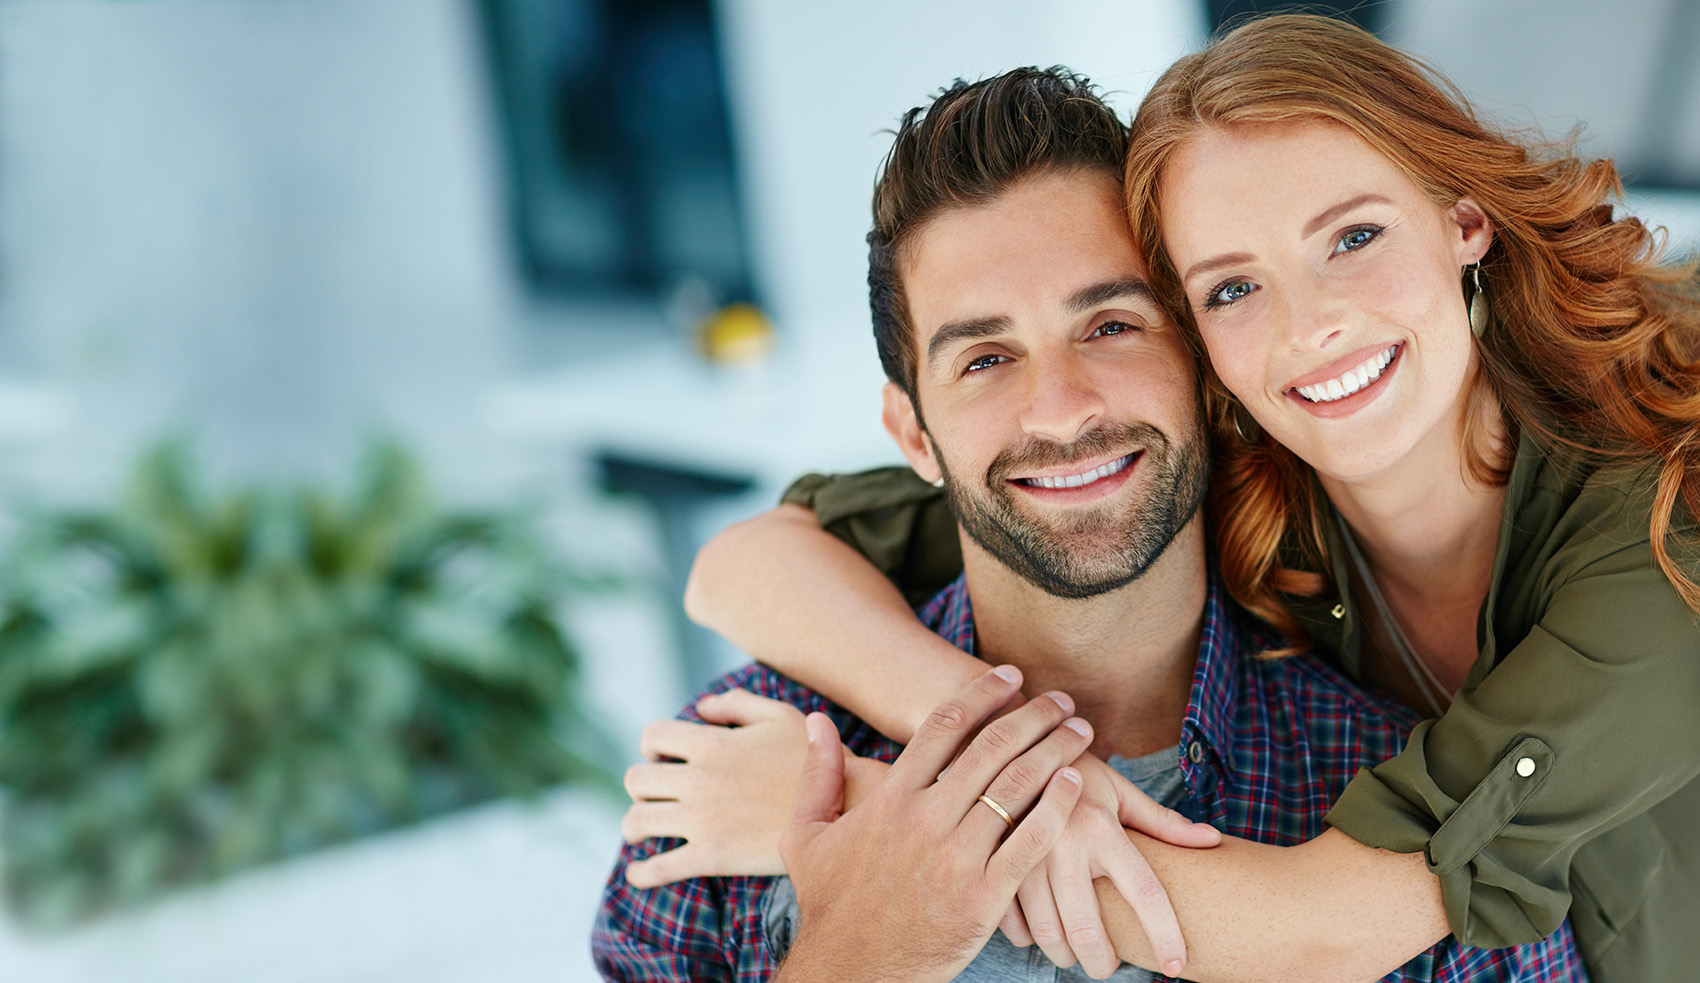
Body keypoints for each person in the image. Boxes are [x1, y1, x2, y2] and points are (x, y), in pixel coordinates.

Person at [669, 14, 1700, 983]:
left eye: (1351, 237)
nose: (1310, 324)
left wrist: (876, 815)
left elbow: (1320, 931)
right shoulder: (1222, 477)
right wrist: (984, 748)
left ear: (1462, 220)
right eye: (1230, 287)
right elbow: (753, 560)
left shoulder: (1662, 524)